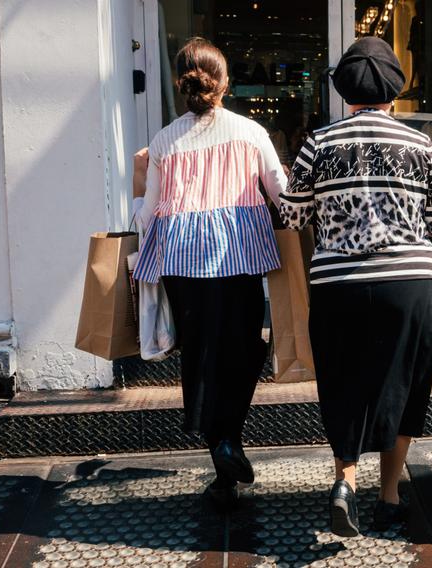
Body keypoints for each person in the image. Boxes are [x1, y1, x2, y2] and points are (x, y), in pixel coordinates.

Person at [280, 36, 432, 538]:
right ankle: (390, 494)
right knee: (405, 385)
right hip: (408, 284)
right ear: (393, 91)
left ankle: (345, 484)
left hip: (339, 286)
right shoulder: (419, 144)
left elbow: (292, 215)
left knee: (344, 382)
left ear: (346, 91)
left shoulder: (319, 142)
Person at [132, 38, 287, 511]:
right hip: (238, 257)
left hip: (182, 263)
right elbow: (281, 194)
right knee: (244, 350)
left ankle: (222, 455)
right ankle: (228, 442)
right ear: (223, 82)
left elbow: (148, 213)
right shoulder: (250, 132)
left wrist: (137, 187)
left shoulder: (162, 141)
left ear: (182, 84)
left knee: (200, 357)